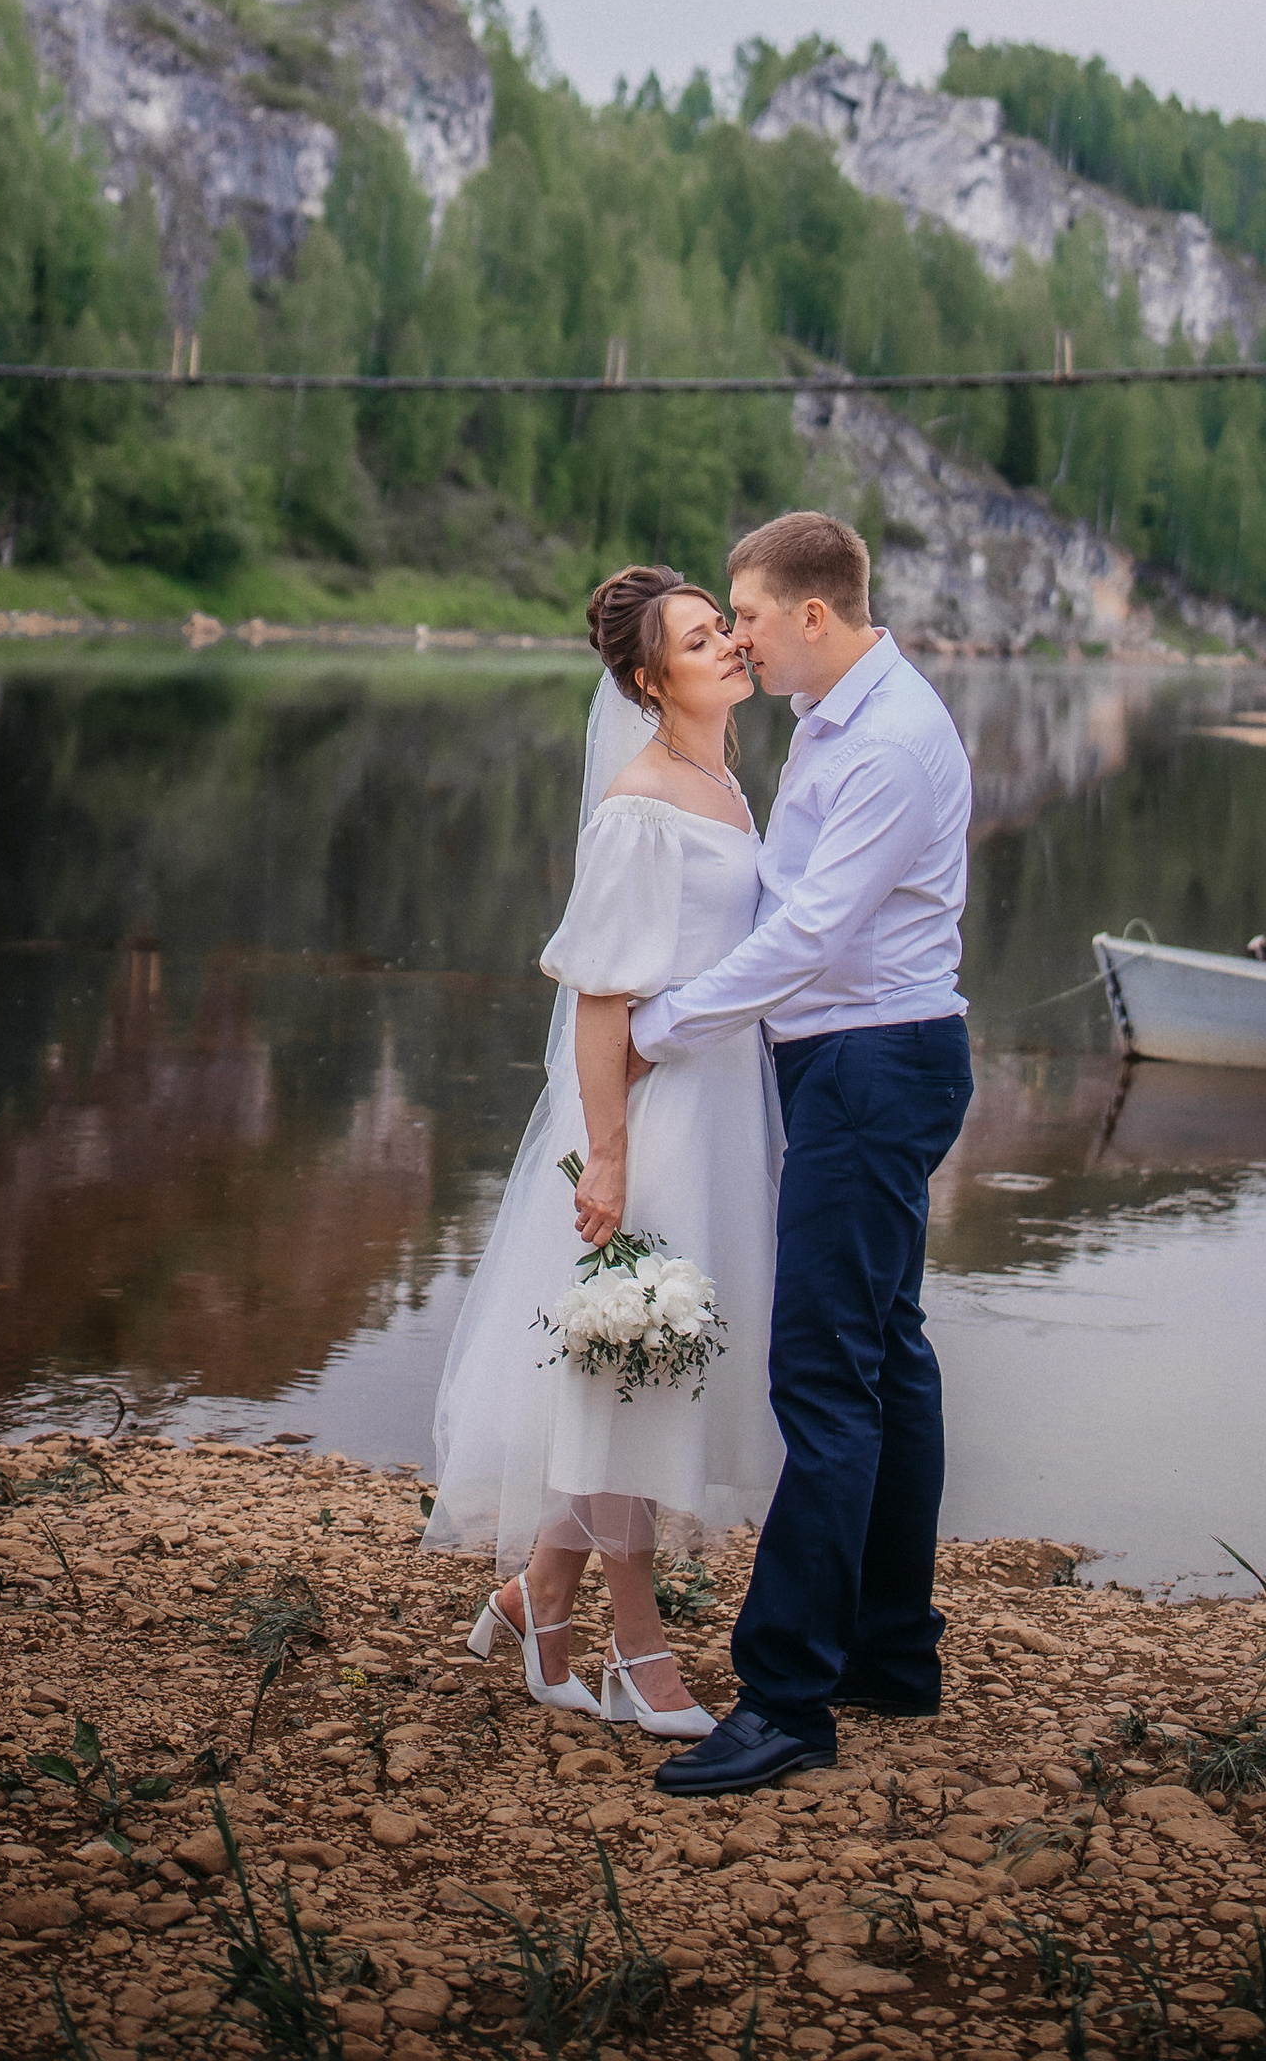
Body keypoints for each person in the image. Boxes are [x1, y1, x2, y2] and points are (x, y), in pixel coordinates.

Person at [629, 508, 974, 1794]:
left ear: (815, 616)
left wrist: (663, 1026)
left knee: (824, 1376)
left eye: (754, 620)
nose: (743, 640)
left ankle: (786, 1699)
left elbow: (814, 935)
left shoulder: (887, 741)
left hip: (875, 1066)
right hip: (861, 1061)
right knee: (886, 1356)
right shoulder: (835, 719)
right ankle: (888, 1648)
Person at [420, 566, 783, 1735]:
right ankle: (637, 1653)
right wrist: (612, 1162)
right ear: (647, 679)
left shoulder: (725, 780)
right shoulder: (640, 805)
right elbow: (597, 1003)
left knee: (646, 1368)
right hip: (656, 1125)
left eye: (724, 627)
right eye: (697, 638)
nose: (728, 644)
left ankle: (538, 1599)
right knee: (634, 1375)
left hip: (723, 1113)